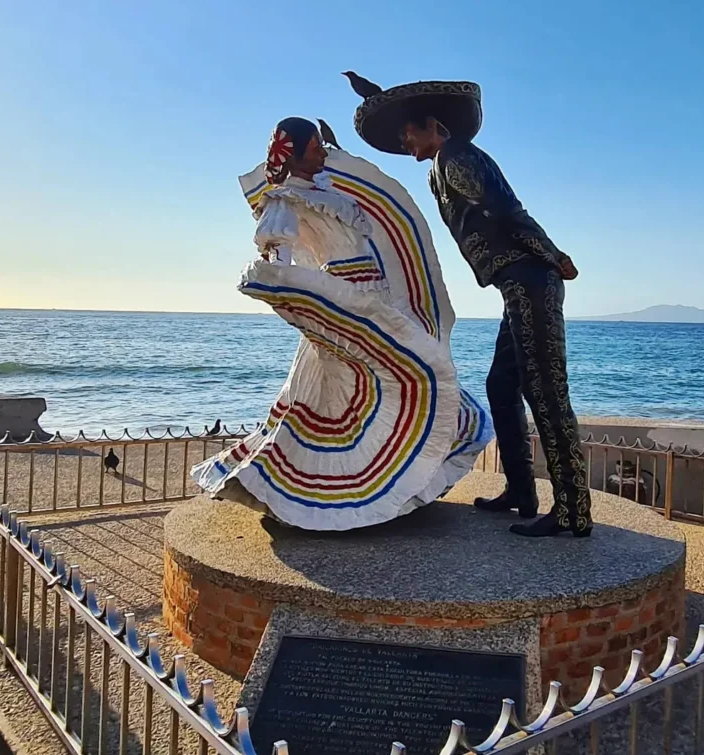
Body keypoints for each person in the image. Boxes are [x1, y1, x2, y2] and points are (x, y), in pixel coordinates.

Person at [190, 117, 492, 530]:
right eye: (313, 147)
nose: (320, 153)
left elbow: (361, 200)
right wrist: (285, 285)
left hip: (377, 304)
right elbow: (277, 257)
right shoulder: (285, 201)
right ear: (293, 154)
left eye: (320, 146)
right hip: (344, 309)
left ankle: (404, 486)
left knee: (409, 383)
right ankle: (333, 497)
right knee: (361, 394)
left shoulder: (328, 190)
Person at [347, 78, 592, 538]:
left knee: (546, 392)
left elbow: (506, 211)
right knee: (501, 386)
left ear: (431, 126)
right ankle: (522, 491)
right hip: (514, 284)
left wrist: (555, 256)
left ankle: (573, 510)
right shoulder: (440, 164)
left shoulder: (456, 157)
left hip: (531, 278)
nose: (405, 144)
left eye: (408, 134)